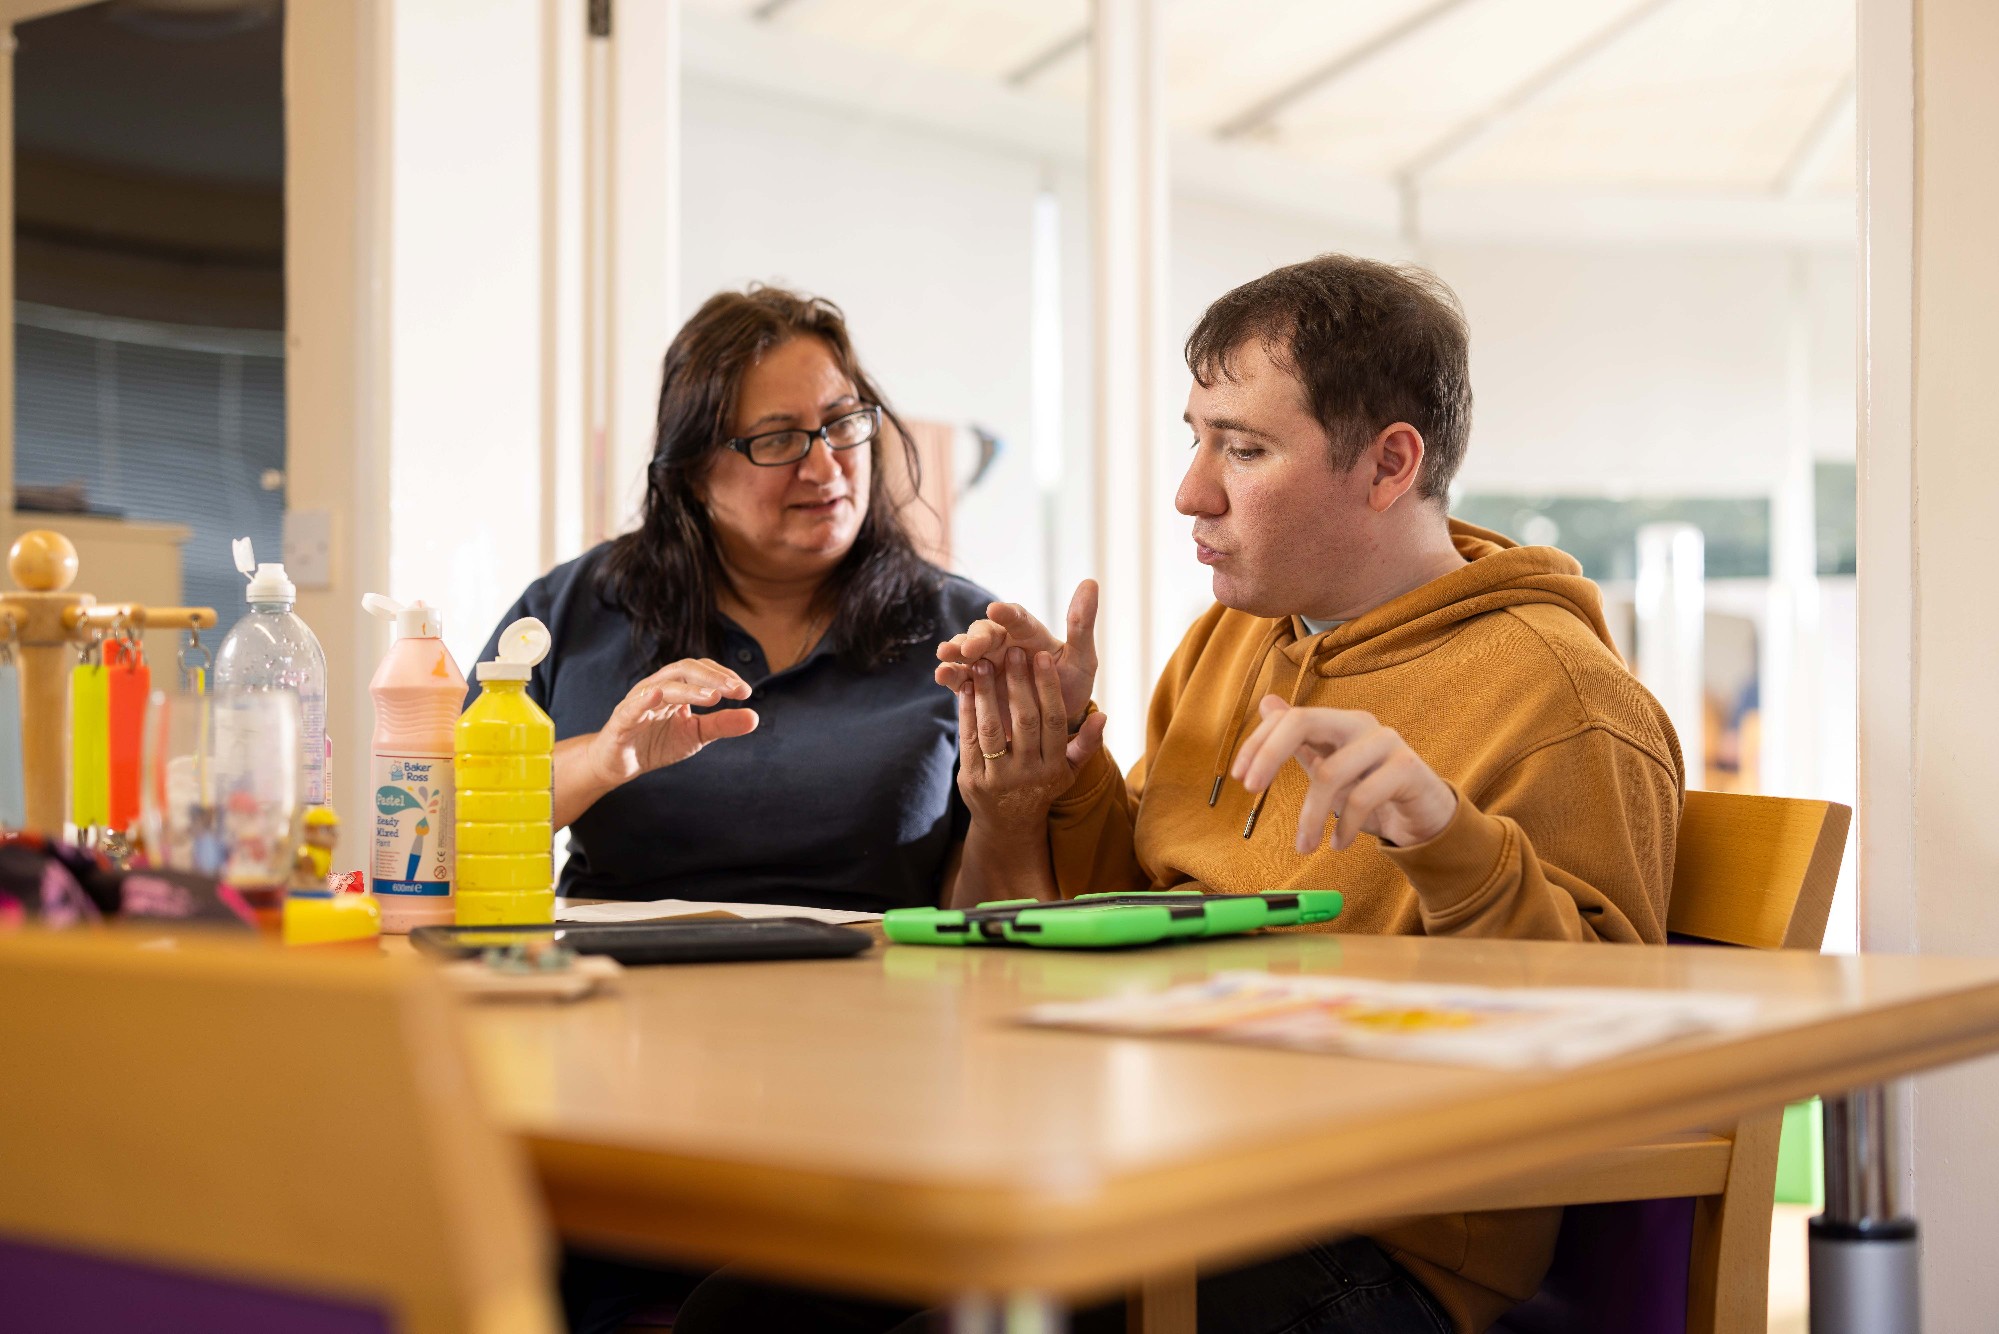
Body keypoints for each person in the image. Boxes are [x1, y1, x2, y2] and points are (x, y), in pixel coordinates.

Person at [934, 254, 1683, 1334]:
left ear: (1387, 464)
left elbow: (1611, 1041)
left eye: (1241, 448)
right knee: (758, 1301)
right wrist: (1051, 780)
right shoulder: (1229, 640)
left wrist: (1446, 840)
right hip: (1171, 1157)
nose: (1191, 489)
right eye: (1193, 438)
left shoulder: (1562, 697)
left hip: (1375, 1239)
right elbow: (1131, 916)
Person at [470, 285, 992, 914]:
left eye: (843, 422)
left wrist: (1020, 804)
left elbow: (989, 910)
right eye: (777, 440)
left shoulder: (964, 634)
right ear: (691, 471)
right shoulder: (572, 609)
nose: (827, 468)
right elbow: (445, 824)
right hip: (614, 989)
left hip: (872, 992)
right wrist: (601, 760)